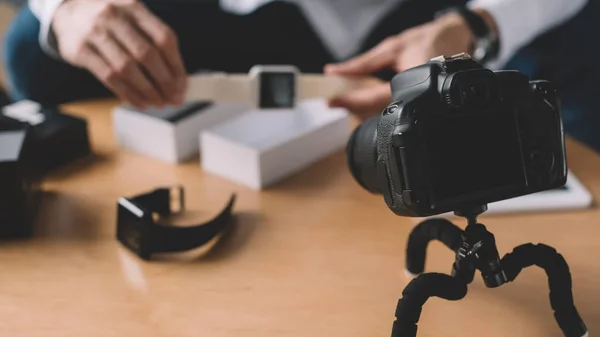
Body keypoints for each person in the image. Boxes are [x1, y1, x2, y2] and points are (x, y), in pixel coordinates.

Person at [3, 0, 599, 150]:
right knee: (35, 46)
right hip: (243, 17)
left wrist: (478, 22)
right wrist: (66, 6)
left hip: (425, 14)